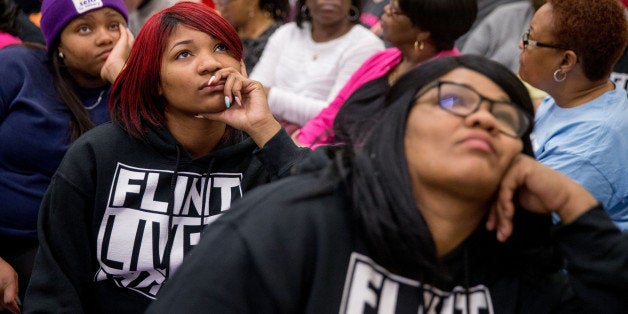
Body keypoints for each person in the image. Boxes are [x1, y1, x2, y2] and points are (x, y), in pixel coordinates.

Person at [147, 55, 628, 313]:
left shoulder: (517, 270)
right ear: (397, 125)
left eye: (505, 116)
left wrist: (572, 201)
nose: (483, 117)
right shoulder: (296, 220)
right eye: (454, 101)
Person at [23, 2, 308, 312]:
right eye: (184, 54)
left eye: (221, 47)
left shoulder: (263, 155)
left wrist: (265, 128)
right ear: (155, 81)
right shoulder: (97, 155)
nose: (211, 63)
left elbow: (330, 225)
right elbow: (55, 289)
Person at [0, 0, 133, 311]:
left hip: (90, 252)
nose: (105, 38)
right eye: (84, 28)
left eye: (114, 24)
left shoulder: (132, 91)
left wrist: (123, 77)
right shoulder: (18, 67)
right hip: (14, 243)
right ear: (58, 41)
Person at [294, 0, 476, 148]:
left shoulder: (450, 83)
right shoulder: (382, 60)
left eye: (394, 12)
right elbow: (334, 112)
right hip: (326, 158)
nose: (385, 10)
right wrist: (302, 144)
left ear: (423, 33)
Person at [519, 0, 628, 230]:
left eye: (530, 37)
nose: (521, 44)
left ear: (566, 61)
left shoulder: (588, 149)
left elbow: (525, 225)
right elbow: (542, 110)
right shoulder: (583, 95)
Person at [250, 0, 384, 133]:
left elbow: (334, 115)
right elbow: (252, 95)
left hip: (321, 147)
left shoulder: (366, 44)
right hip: (263, 134)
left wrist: (269, 95)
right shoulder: (286, 33)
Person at [215, 0, 290, 74]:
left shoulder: (280, 38)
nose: (220, 8)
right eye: (217, 2)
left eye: (225, 2)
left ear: (252, 1)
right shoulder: (224, 35)